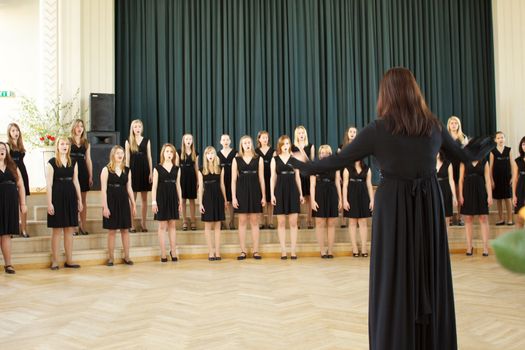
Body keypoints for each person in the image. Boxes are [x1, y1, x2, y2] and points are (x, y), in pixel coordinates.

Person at [289, 67, 494, 350]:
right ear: (414, 91)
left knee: (393, 274)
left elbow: (338, 160)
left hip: (394, 206)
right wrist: (488, 142)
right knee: (428, 268)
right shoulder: (432, 126)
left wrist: (300, 164)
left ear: (386, 94)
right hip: (428, 204)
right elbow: (465, 155)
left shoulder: (378, 129)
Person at [46, 137, 83, 270]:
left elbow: (76, 181)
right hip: (57, 196)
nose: (65, 146)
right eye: (62, 144)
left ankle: (69, 260)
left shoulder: (74, 162)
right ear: (57, 146)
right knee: (57, 231)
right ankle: (55, 261)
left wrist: (80, 200)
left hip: (70, 196)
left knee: (69, 230)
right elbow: (49, 184)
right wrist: (49, 203)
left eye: (67, 144)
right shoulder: (51, 162)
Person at [232, 135, 266, 260]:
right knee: (242, 221)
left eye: (248, 142)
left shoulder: (259, 159)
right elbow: (233, 180)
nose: (247, 144)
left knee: (254, 221)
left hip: (255, 190)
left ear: (251, 144)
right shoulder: (236, 159)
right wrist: (234, 197)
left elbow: (262, 179)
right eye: (244, 143)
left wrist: (263, 196)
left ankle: (256, 251)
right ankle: (243, 251)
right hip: (241, 191)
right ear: (241, 145)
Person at [101, 146, 136, 266]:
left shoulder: (127, 170)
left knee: (125, 230)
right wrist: (105, 207)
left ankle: (127, 257)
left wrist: (133, 203)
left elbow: (129, 188)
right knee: (111, 231)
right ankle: (111, 258)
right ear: (113, 155)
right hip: (111, 201)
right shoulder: (106, 170)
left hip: (123, 201)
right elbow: (103, 190)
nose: (120, 155)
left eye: (122, 153)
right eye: (117, 153)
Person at [270, 135, 304, 259]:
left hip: (292, 191)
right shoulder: (275, 159)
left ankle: (293, 250)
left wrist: (300, 193)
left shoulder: (294, 159)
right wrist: (272, 194)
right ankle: (283, 250)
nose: (285, 146)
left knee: (293, 222)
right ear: (280, 146)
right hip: (279, 190)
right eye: (283, 144)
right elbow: (272, 177)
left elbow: (297, 177)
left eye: (287, 144)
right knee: (281, 222)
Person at [151, 143, 182, 262]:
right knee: (162, 226)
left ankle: (173, 251)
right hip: (161, 198)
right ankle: (163, 252)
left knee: (172, 225)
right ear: (163, 153)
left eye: (171, 152)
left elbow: (178, 186)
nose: (169, 154)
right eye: (167, 151)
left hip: (173, 197)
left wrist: (180, 201)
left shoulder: (177, 169)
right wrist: (154, 202)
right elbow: (154, 187)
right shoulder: (157, 168)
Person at [0, 142, 27, 274]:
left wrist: (23, 204)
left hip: (10, 204)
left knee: (6, 234)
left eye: (3, 148)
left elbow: (21, 185)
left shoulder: (13, 166)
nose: (1, 150)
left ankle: (8, 264)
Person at [311, 145, 341, 258]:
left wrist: (340, 199)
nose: (324, 155)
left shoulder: (335, 167)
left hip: (332, 193)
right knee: (320, 223)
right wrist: (313, 200)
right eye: (322, 153)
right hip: (319, 194)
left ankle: (330, 250)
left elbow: (338, 183)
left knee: (331, 223)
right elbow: (312, 185)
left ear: (330, 154)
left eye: (327, 153)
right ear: (319, 155)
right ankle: (322, 250)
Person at [198, 146, 228, 260]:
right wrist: (200, 203)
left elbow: (222, 185)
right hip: (207, 199)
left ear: (215, 155)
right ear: (205, 156)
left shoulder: (220, 168)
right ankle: (210, 252)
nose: (210, 155)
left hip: (218, 198)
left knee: (217, 226)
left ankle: (217, 252)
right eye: (208, 154)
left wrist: (225, 200)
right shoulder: (201, 170)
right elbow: (200, 188)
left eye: (212, 153)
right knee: (208, 226)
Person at [459, 159, 492, 256]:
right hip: (467, 190)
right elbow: (460, 180)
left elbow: (487, 179)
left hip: (481, 190)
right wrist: (460, 195)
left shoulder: (485, 161)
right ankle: (469, 247)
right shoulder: (463, 161)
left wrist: (489, 195)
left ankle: (485, 247)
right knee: (468, 218)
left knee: (483, 218)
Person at [342, 157, 374, 257]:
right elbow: (345, 185)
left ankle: (364, 248)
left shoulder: (367, 169)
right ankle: (354, 247)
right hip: (351, 196)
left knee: (363, 222)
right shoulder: (347, 169)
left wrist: (372, 200)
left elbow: (369, 185)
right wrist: (345, 200)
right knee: (352, 222)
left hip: (363, 196)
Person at [125, 119, 152, 232]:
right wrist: (127, 175)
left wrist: (151, 172)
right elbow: (127, 160)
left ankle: (143, 223)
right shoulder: (128, 141)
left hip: (145, 170)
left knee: (144, 199)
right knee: (133, 199)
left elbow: (149, 157)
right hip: (133, 171)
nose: (137, 128)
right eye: (135, 126)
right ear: (132, 128)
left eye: (139, 126)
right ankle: (131, 224)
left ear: (142, 128)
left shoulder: (147, 141)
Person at [69, 119, 93, 235]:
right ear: (73, 127)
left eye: (82, 126)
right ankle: (74, 226)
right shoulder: (68, 141)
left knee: (83, 200)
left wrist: (90, 175)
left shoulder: (86, 143)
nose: (80, 128)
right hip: (71, 172)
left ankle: (83, 226)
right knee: (73, 200)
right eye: (77, 126)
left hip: (83, 172)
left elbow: (88, 160)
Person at [7, 123, 30, 238]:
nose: (15, 133)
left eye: (17, 130)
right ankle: (11, 230)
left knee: (23, 202)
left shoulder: (21, 146)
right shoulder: (7, 146)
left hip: (23, 173)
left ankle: (23, 229)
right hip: (12, 174)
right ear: (9, 133)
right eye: (13, 131)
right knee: (13, 204)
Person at [292, 126, 315, 229]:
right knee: (298, 198)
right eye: (299, 133)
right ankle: (296, 222)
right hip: (297, 174)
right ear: (296, 135)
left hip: (307, 174)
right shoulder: (292, 147)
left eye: (302, 133)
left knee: (309, 199)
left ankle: (309, 220)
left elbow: (311, 162)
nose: (301, 135)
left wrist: (302, 152)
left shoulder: (310, 146)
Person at [447, 116, 469, 226]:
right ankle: (449, 217)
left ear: (458, 124)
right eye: (452, 123)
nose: (454, 125)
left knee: (459, 191)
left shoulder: (463, 137)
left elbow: (466, 154)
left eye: (456, 123)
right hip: (448, 166)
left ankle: (460, 217)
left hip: (460, 166)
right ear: (449, 125)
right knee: (449, 193)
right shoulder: (445, 137)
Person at [489, 131, 514, 225]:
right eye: (498, 138)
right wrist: (491, 180)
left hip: (507, 177)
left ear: (505, 139)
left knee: (508, 198)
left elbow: (512, 164)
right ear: (495, 140)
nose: (500, 139)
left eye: (502, 137)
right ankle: (501, 219)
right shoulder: (493, 151)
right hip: (496, 178)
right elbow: (490, 167)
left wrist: (513, 177)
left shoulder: (509, 150)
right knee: (498, 199)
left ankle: (510, 219)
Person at [337, 126, 358, 228]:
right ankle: (343, 220)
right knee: (343, 194)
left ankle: (356, 217)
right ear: (347, 133)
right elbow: (338, 162)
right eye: (351, 131)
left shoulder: (359, 146)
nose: (352, 133)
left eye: (354, 132)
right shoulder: (341, 147)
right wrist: (339, 175)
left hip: (355, 172)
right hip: (344, 171)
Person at [178, 134, 199, 231]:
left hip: (191, 178)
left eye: (190, 138)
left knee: (191, 200)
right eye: (186, 139)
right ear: (183, 141)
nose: (188, 140)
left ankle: (193, 220)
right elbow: (176, 167)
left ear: (192, 141)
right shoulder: (179, 153)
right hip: (182, 177)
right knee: (182, 200)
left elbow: (196, 167)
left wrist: (198, 180)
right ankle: (184, 221)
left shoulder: (195, 153)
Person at [255, 131, 275, 229]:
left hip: (270, 177)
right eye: (263, 137)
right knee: (261, 199)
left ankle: (270, 222)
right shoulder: (256, 151)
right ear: (259, 139)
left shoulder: (273, 151)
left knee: (270, 200)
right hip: (260, 178)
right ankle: (261, 221)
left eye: (266, 137)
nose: (265, 139)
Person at [218, 134, 237, 229]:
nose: (225, 141)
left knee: (231, 200)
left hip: (232, 178)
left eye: (227, 140)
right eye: (223, 140)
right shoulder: (217, 154)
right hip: (221, 180)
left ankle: (231, 221)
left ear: (230, 141)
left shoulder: (235, 153)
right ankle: (222, 221)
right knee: (222, 201)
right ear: (220, 142)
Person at [436, 152, 457, 226]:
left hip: (445, 190)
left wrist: (454, 196)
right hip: (434, 190)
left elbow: (451, 180)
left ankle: (445, 236)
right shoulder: (430, 164)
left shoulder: (448, 163)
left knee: (446, 216)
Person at [512, 136, 525, 228]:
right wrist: (514, 195)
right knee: (520, 219)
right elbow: (515, 179)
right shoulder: (517, 160)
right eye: (523, 144)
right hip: (521, 189)